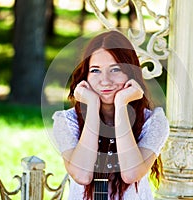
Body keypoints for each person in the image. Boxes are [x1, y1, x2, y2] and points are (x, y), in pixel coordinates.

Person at [52, 30, 169, 200]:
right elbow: (83, 175)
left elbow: (131, 174)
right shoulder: (66, 122)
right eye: (95, 70)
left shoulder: (153, 122)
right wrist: (92, 106)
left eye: (115, 69)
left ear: (130, 73)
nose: (105, 80)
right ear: (85, 75)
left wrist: (121, 104)